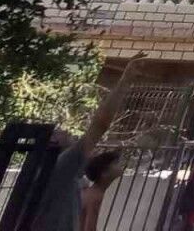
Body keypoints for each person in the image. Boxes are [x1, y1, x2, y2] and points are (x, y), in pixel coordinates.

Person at [31, 52, 148, 231]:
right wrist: (125, 80)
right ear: (53, 143)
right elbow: (100, 125)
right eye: (59, 132)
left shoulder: (71, 178)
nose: (66, 131)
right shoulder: (62, 166)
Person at [80, 150, 123, 231]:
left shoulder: (90, 192)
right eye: (115, 163)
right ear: (104, 173)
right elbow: (90, 227)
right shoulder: (96, 197)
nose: (120, 165)